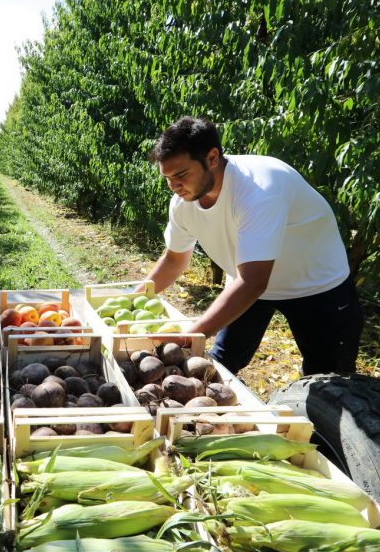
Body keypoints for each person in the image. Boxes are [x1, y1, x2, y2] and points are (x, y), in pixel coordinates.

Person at [142, 116, 363, 376]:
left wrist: (190, 334)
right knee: (219, 364)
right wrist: (134, 298)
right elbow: (175, 259)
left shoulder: (259, 189)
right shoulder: (183, 201)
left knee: (329, 379)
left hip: (316, 286)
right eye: (167, 177)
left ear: (212, 158)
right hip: (247, 282)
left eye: (180, 175)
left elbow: (254, 281)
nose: (173, 186)